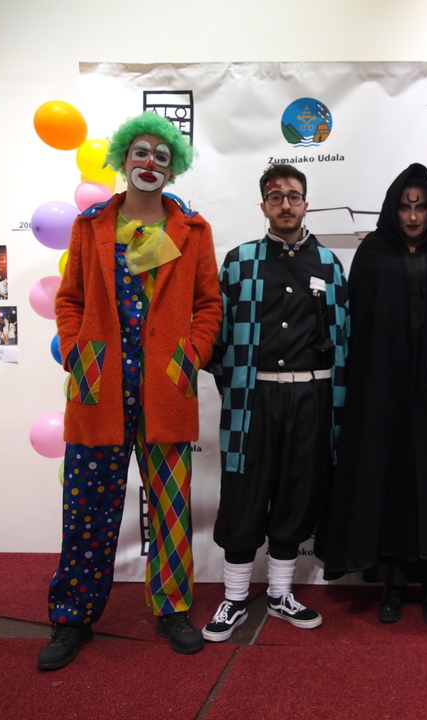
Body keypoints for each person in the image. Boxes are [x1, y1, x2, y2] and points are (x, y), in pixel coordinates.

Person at [39, 112, 222, 670]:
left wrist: (190, 356)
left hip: (165, 388)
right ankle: (72, 616)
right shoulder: (91, 224)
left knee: (170, 509)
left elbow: (208, 305)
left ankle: (172, 608)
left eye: (161, 156)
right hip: (100, 388)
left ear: (173, 168)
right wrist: (77, 352)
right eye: (140, 152)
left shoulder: (193, 230)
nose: (150, 162)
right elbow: (70, 299)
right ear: (123, 159)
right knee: (87, 507)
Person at [316, 163, 427, 624]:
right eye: (406, 207)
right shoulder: (372, 257)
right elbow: (357, 330)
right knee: (385, 479)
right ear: (393, 209)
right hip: (381, 395)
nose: (413, 216)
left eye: (421, 207)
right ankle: (391, 583)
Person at [203, 164, 348, 641]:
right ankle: (234, 598)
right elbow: (217, 335)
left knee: (298, 491)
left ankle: (281, 594)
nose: (286, 204)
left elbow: (344, 337)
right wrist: (237, 387)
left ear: (306, 203)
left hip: (311, 396)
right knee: (244, 491)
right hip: (254, 397)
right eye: (276, 196)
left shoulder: (329, 264)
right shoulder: (239, 261)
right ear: (263, 205)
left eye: (294, 196)